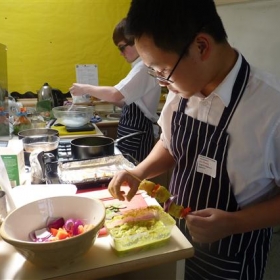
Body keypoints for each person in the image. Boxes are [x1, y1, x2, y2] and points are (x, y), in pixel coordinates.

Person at [107, 0, 280, 279]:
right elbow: (170, 143)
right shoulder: (182, 89)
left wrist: (234, 223)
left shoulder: (272, 108)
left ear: (201, 46)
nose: (162, 82)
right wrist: (139, 172)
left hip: (231, 259)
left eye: (162, 71)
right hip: (175, 239)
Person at [69, 18, 161, 162]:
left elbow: (116, 94)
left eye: (122, 47)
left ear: (136, 41)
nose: (121, 53)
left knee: (134, 178)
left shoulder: (144, 67)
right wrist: (101, 96)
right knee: (127, 176)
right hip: (132, 132)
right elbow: (125, 102)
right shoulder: (138, 66)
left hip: (137, 133)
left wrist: (85, 88)